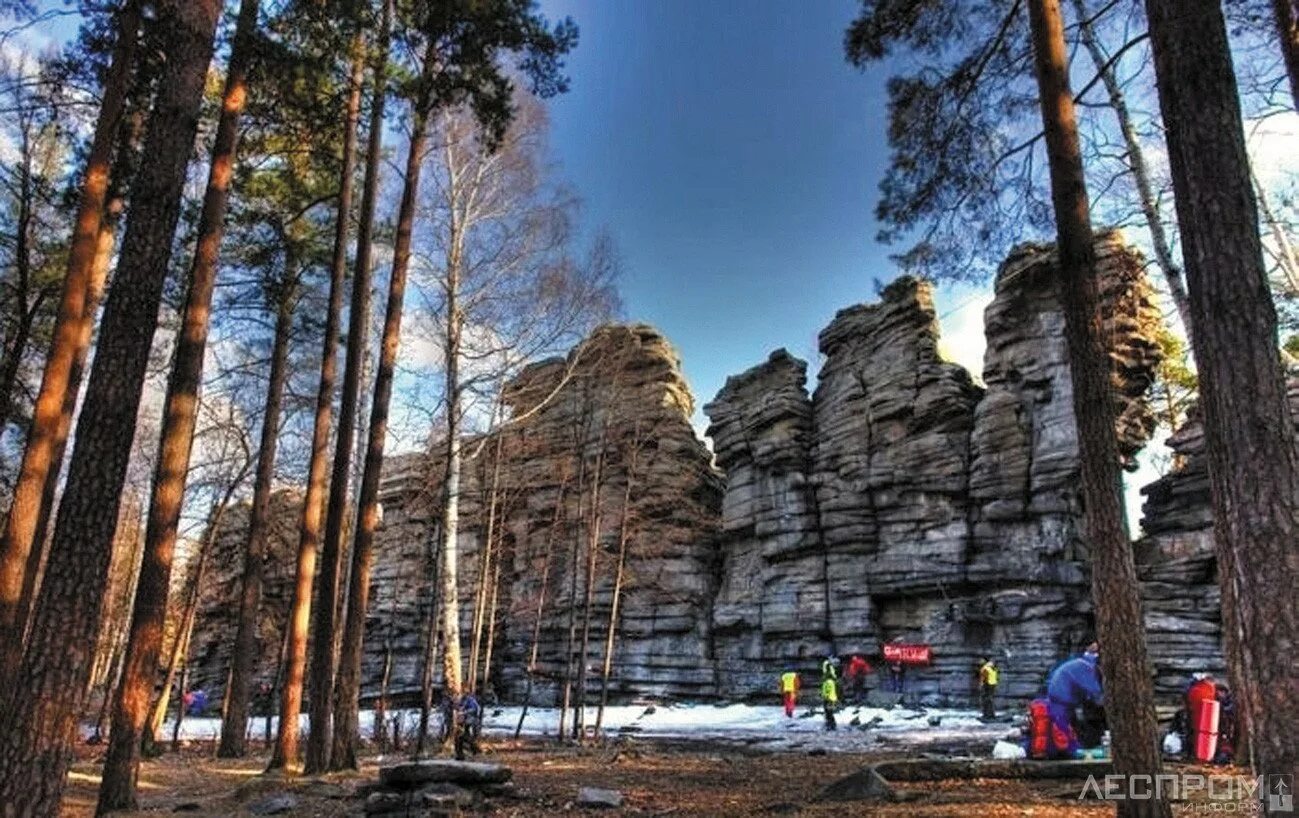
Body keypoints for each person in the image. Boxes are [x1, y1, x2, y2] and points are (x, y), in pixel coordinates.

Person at [1044, 641, 1103, 758]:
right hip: (1062, 699)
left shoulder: (1078, 663)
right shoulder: (1087, 667)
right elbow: (1095, 691)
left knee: (1067, 728)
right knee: (1064, 730)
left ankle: (1070, 749)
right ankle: (1072, 751)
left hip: (1059, 697)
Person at [1184, 672, 1217, 753]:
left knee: (1195, 735)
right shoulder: (1208, 690)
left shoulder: (1195, 690)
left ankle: (1195, 753)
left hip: (1195, 717)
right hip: (1207, 720)